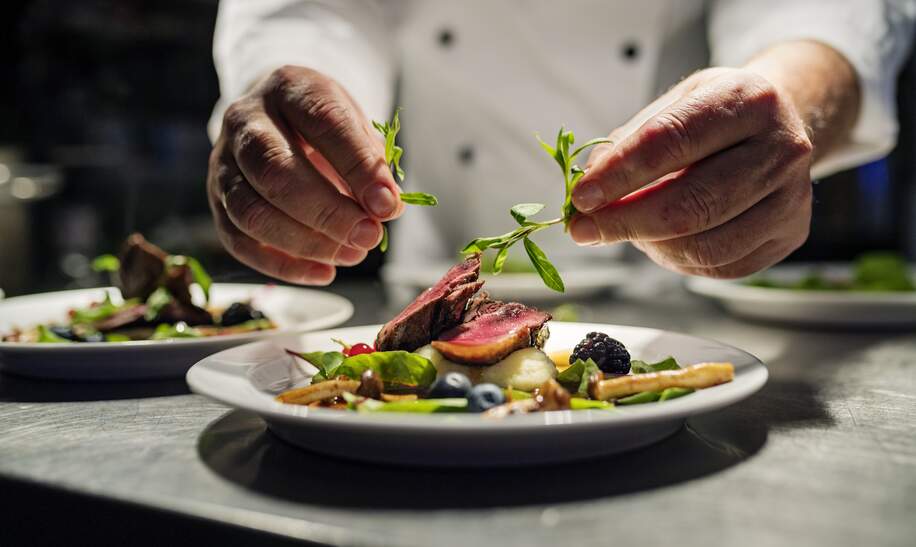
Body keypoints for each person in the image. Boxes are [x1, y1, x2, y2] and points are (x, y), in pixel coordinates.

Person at [206, 0, 915, 285]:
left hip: (683, 291)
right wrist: (293, 102)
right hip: (432, 270)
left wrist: (784, 95)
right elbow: (311, 8)